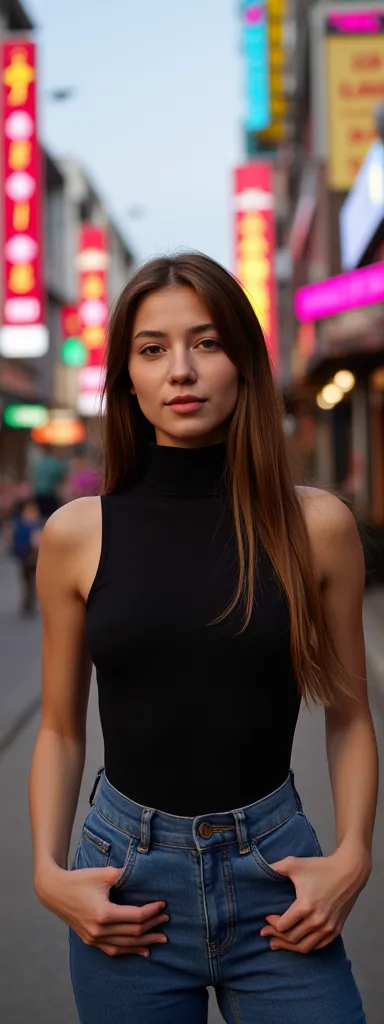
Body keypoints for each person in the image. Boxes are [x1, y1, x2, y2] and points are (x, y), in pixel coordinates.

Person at [30, 253, 378, 1024]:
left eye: (207, 343)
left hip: (277, 871)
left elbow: (350, 716)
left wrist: (351, 857)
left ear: (245, 363)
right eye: (152, 349)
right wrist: (48, 874)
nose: (180, 370)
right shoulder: (77, 535)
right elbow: (58, 728)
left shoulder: (314, 527)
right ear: (126, 376)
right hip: (125, 883)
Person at [10, 498, 43, 614]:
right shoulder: (29, 524)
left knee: (29, 580)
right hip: (26, 555)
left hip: (29, 555)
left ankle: (28, 601)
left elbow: (36, 541)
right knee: (27, 579)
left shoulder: (27, 524)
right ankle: (28, 601)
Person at [31, 444, 68, 519]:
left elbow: (34, 477)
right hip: (50, 493)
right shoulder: (55, 463)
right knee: (52, 515)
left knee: (42, 515)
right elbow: (61, 477)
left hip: (39, 493)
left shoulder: (40, 463)